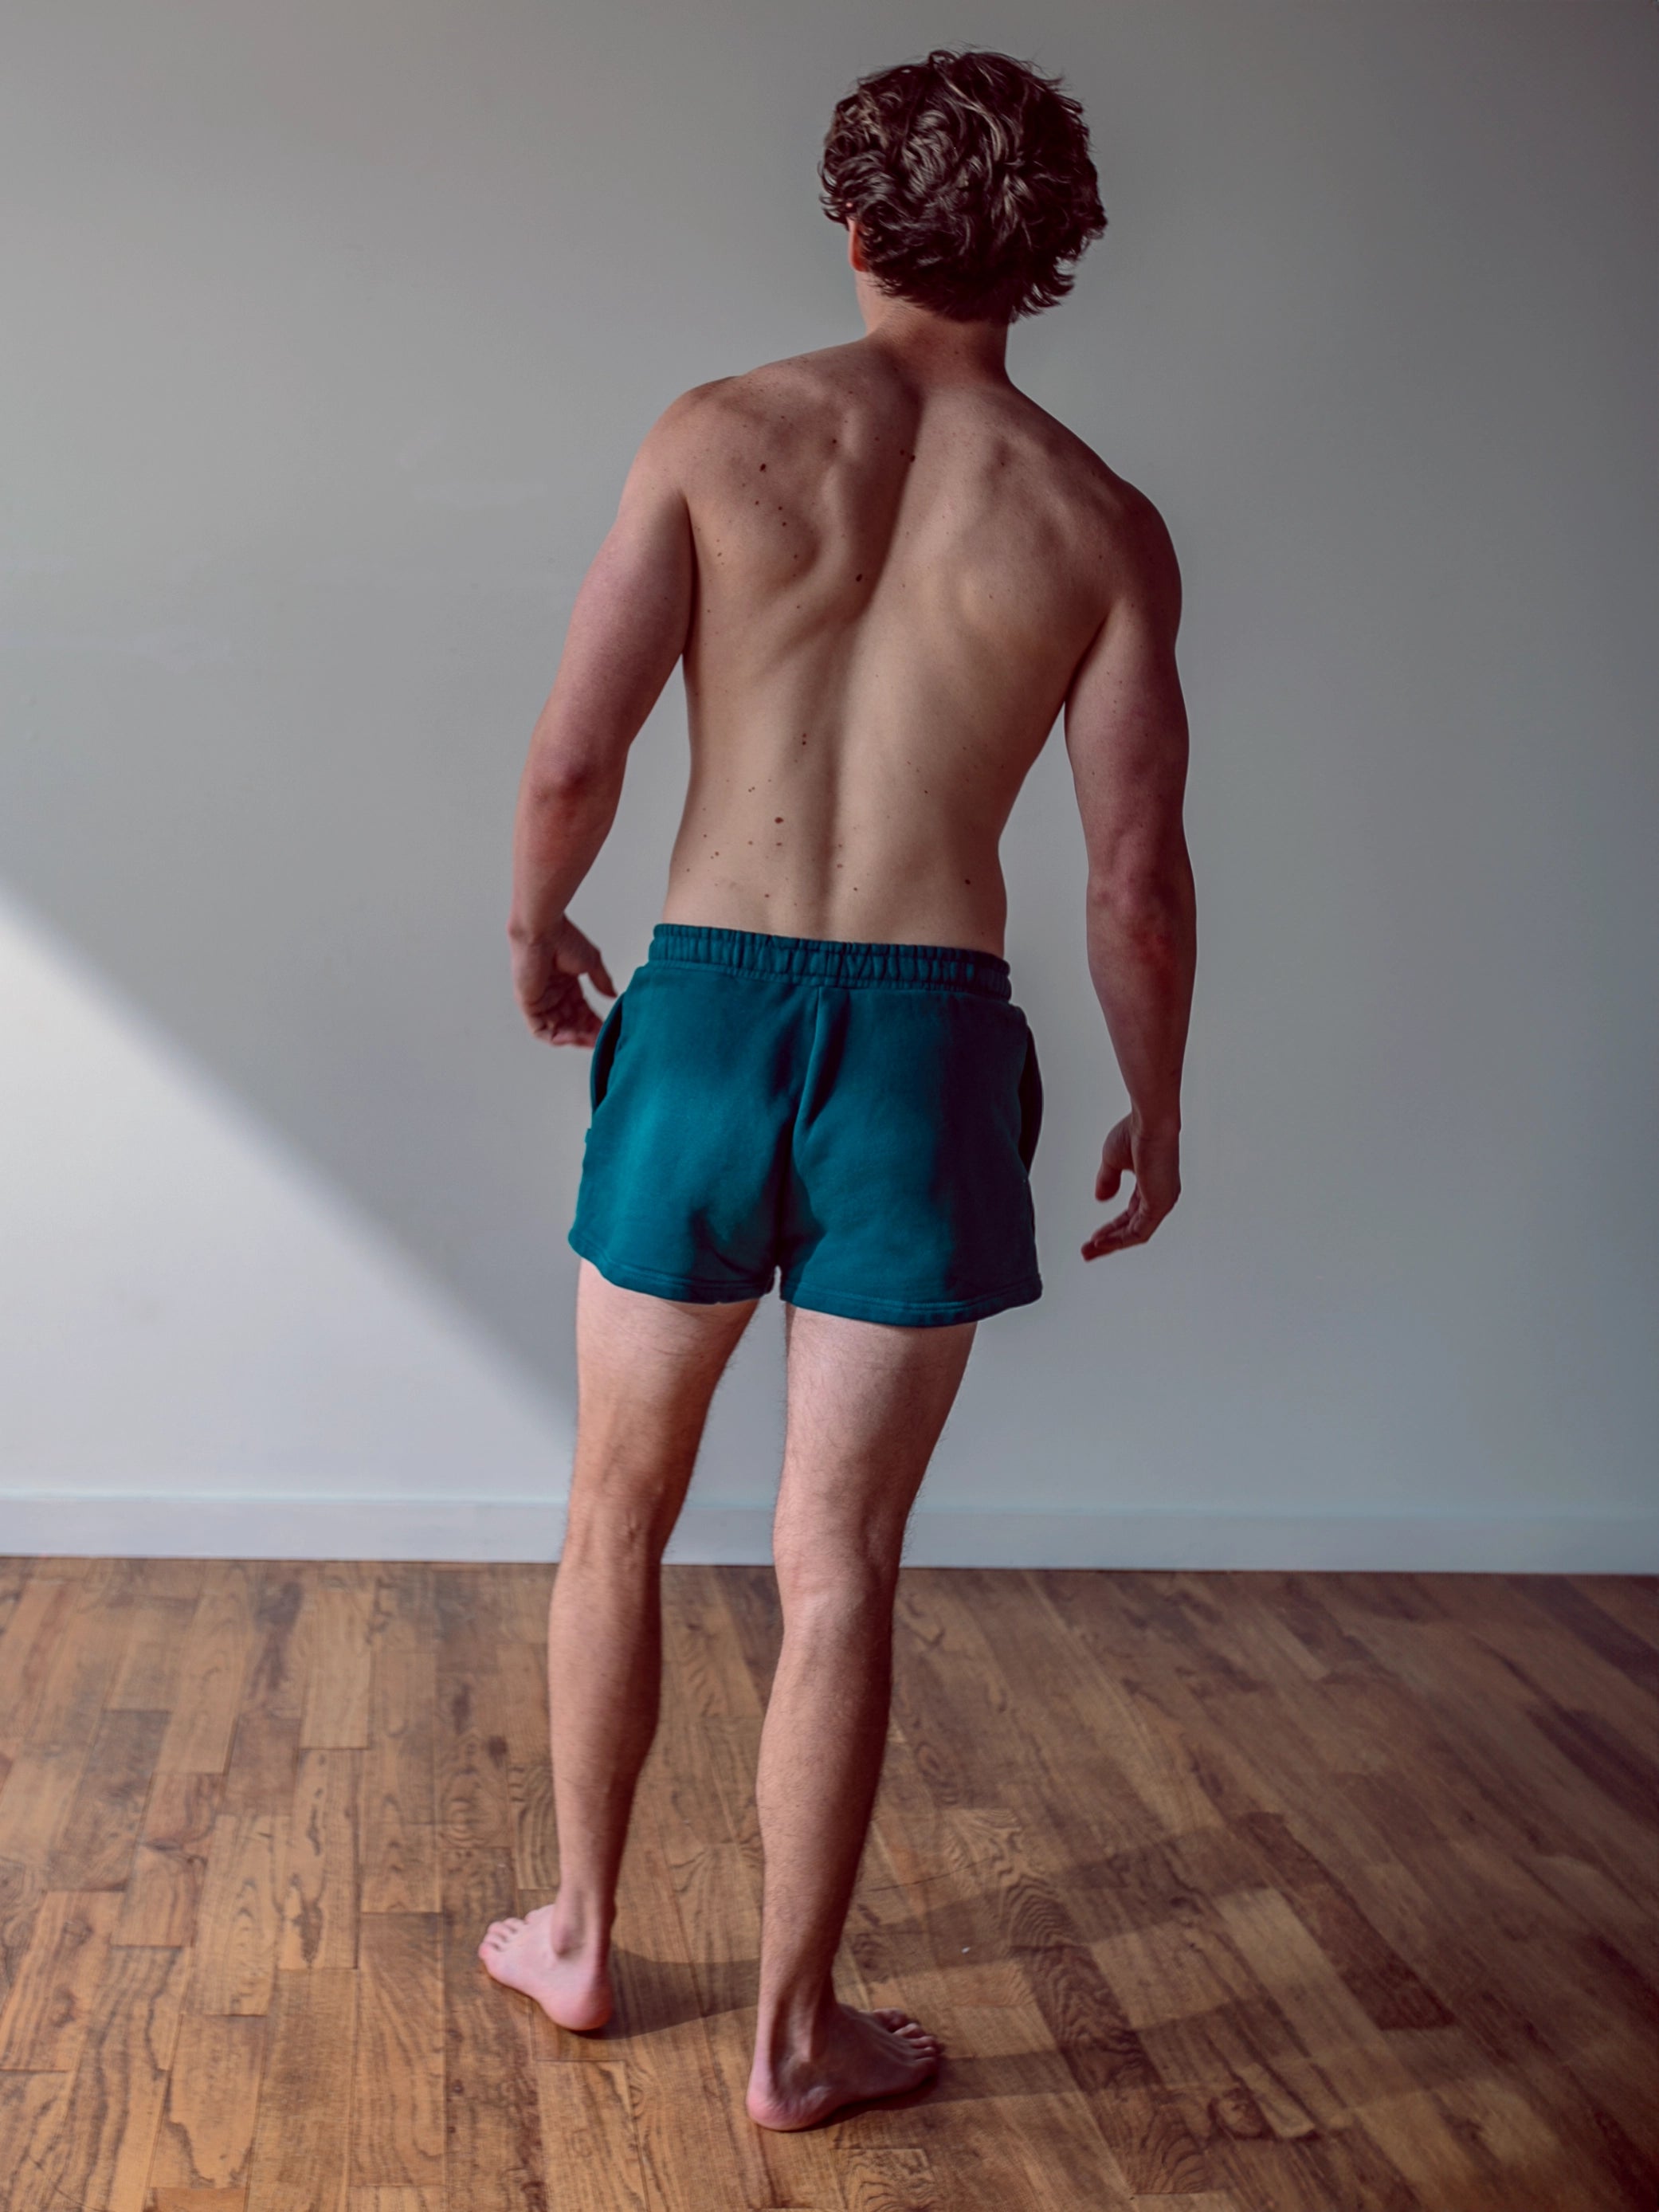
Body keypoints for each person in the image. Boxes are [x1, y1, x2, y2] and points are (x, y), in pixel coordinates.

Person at [479, 45, 1196, 2133]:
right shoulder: (1098, 524)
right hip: (922, 1037)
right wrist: (1157, 1094)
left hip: (701, 1010)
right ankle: (797, 2042)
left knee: (612, 1515)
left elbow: (572, 755)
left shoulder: (720, 436)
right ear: (1047, 257)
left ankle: (587, 1939)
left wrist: (536, 923)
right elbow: (1133, 873)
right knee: (837, 1562)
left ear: (854, 216)